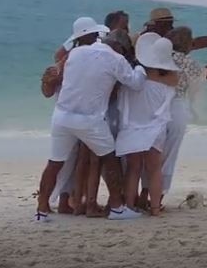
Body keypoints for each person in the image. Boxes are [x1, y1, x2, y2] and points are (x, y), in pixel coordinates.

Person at [35, 16, 148, 222]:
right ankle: (117, 208)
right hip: (90, 120)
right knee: (110, 159)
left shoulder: (73, 55)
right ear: (97, 35)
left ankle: (41, 211)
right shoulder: (114, 58)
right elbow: (136, 83)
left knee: (54, 163)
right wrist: (140, 66)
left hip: (61, 116)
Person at [160, 26, 207, 202]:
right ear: (188, 44)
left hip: (156, 107)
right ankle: (158, 198)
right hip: (176, 108)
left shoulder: (159, 57)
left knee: (153, 153)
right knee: (169, 154)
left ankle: (143, 195)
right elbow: (203, 77)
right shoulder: (188, 63)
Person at [114, 33, 179, 219]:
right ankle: (155, 209)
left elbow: (122, 105)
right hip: (155, 129)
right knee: (154, 169)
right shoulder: (167, 85)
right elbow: (174, 79)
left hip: (132, 128)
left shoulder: (132, 82)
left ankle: (129, 206)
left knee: (133, 169)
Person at [138, 8, 207, 51]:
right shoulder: (144, 40)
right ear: (158, 24)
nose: (172, 27)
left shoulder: (168, 38)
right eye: (168, 24)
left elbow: (194, 43)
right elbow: (193, 44)